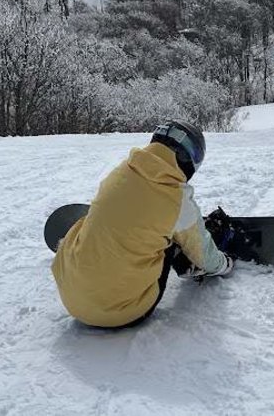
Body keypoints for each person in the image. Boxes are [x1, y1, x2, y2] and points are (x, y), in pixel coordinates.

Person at [51, 121, 233, 329]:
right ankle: (185, 262)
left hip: (71, 300)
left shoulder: (120, 172)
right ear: (190, 158)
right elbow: (204, 255)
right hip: (122, 313)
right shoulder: (176, 199)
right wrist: (225, 265)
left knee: (99, 219)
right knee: (172, 236)